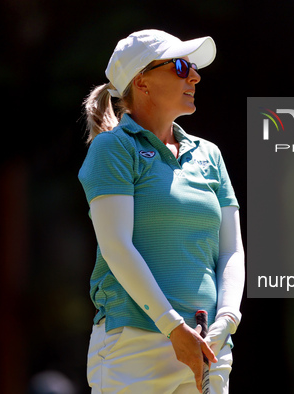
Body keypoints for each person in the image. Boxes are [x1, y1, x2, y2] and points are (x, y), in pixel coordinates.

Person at [78, 29, 245, 393]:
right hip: (134, 348)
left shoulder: (209, 155)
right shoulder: (113, 149)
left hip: (210, 347)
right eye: (182, 66)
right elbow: (117, 247)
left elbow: (231, 249)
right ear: (143, 82)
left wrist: (227, 320)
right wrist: (173, 327)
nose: (195, 76)